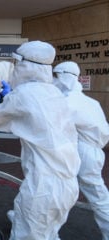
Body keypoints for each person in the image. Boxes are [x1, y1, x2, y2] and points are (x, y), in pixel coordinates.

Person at [0, 41, 82, 239]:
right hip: (69, 186)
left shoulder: (24, 94)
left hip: (43, 188)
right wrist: (10, 97)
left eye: (17, 63)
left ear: (26, 66)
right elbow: (33, 114)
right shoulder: (54, 93)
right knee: (50, 233)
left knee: (27, 235)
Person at [53, 61, 109, 240]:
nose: (53, 80)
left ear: (64, 77)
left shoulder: (68, 102)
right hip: (94, 152)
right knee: (94, 195)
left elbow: (49, 124)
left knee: (59, 190)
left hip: (81, 152)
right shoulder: (91, 102)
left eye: (56, 76)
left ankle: (42, 231)